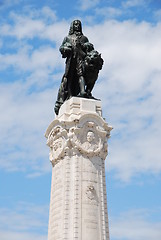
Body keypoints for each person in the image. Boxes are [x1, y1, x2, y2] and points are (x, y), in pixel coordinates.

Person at [54, 20, 94, 114]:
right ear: (72, 26)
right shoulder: (67, 38)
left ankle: (83, 92)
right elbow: (62, 48)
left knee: (81, 75)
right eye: (75, 24)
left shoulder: (84, 38)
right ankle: (70, 95)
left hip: (81, 59)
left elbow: (90, 50)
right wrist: (65, 48)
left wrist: (87, 46)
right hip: (71, 60)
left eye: (79, 24)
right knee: (70, 78)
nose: (77, 26)